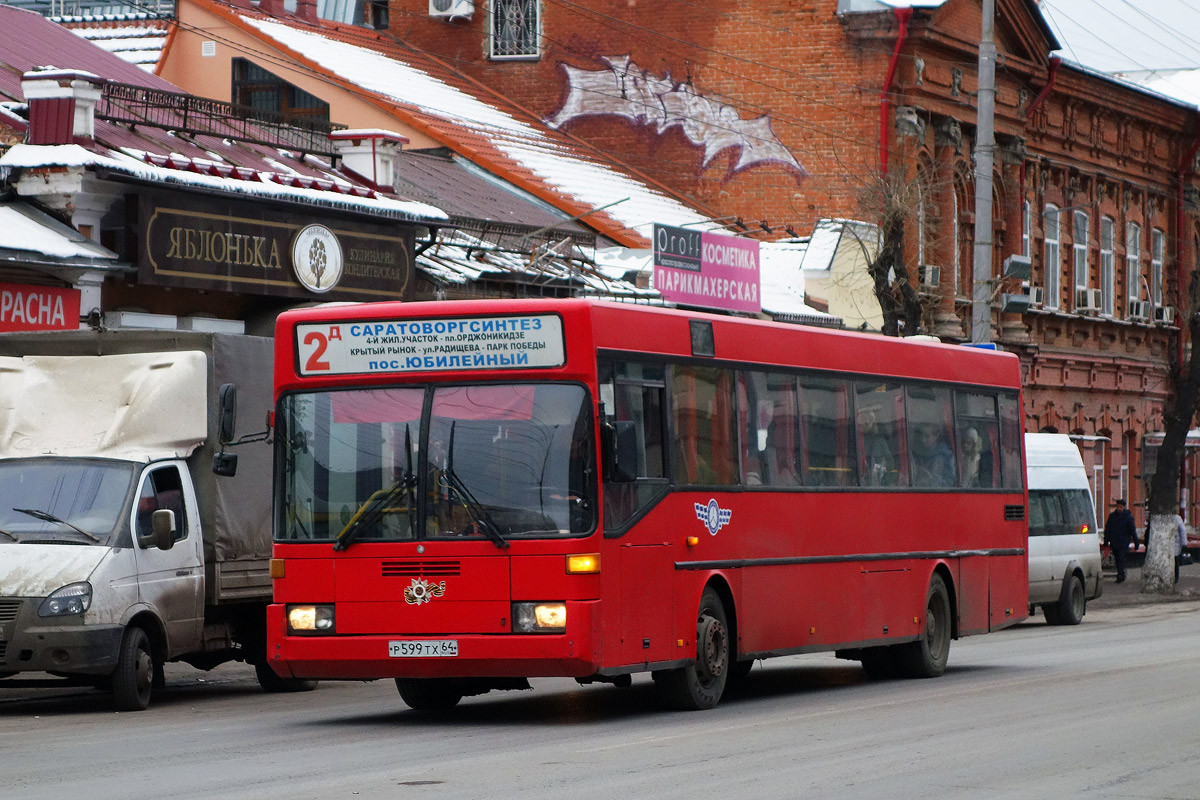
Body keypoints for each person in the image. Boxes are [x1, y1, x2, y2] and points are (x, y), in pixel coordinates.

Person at [1103, 498, 1139, 583]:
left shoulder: (1128, 517)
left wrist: (1136, 542)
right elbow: (1108, 529)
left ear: (1124, 507)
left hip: (1124, 542)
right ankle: (1120, 573)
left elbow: (1132, 531)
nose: (1119, 508)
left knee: (1121, 557)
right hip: (1114, 541)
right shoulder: (1112, 517)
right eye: (1118, 507)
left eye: (1121, 507)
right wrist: (1106, 541)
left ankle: (1121, 575)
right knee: (1117, 558)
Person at [912, 423, 954, 487]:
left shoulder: (946, 456)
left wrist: (931, 478)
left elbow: (951, 482)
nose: (923, 440)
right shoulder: (915, 453)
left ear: (936, 436)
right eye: (921, 436)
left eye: (927, 436)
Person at [1174, 509, 1189, 583]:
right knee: (1174, 561)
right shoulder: (1176, 518)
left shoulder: (1176, 518)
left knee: (1175, 561)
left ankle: (1175, 577)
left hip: (1175, 543)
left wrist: (1184, 543)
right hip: (1173, 543)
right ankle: (1174, 577)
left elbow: (1182, 531)